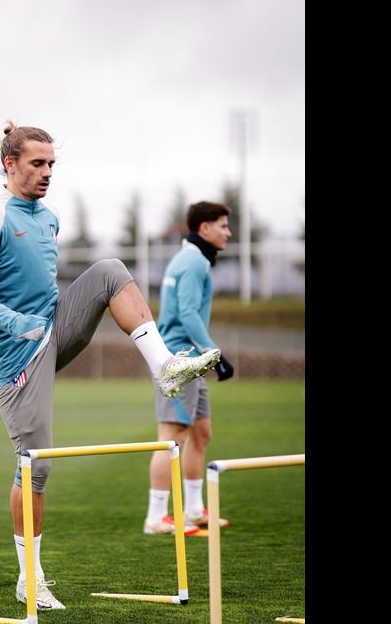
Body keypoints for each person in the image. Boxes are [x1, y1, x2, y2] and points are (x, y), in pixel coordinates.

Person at [0, 121, 221, 612]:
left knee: (110, 270)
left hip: (54, 329)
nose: (47, 172)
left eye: (52, 164)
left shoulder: (49, 218)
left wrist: (50, 320)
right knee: (37, 466)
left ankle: (163, 364)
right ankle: (28, 579)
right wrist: (18, 325)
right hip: (17, 354)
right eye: (37, 163)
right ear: (9, 164)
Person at [143, 201, 236, 535]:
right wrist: (215, 353)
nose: (229, 232)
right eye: (223, 225)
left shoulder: (188, 258)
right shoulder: (194, 262)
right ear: (205, 228)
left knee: (201, 433)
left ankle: (195, 510)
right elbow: (188, 314)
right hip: (180, 360)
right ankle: (156, 518)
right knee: (170, 439)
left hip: (189, 360)